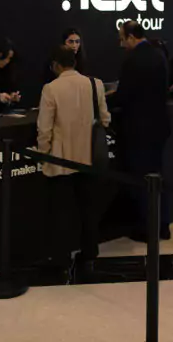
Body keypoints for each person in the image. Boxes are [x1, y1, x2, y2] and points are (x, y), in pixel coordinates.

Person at [37, 45, 111, 268]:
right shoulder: (95, 84)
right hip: (89, 156)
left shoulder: (51, 89)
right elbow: (105, 119)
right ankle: (90, 251)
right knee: (88, 208)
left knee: (61, 211)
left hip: (61, 158)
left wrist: (43, 153)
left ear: (56, 65)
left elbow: (44, 128)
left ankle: (61, 258)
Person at [113, 20, 171, 242]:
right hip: (159, 126)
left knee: (141, 180)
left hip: (138, 129)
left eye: (122, 39)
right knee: (157, 177)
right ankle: (162, 226)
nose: (121, 44)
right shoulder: (159, 55)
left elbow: (124, 95)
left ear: (131, 37)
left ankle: (147, 229)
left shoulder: (133, 60)